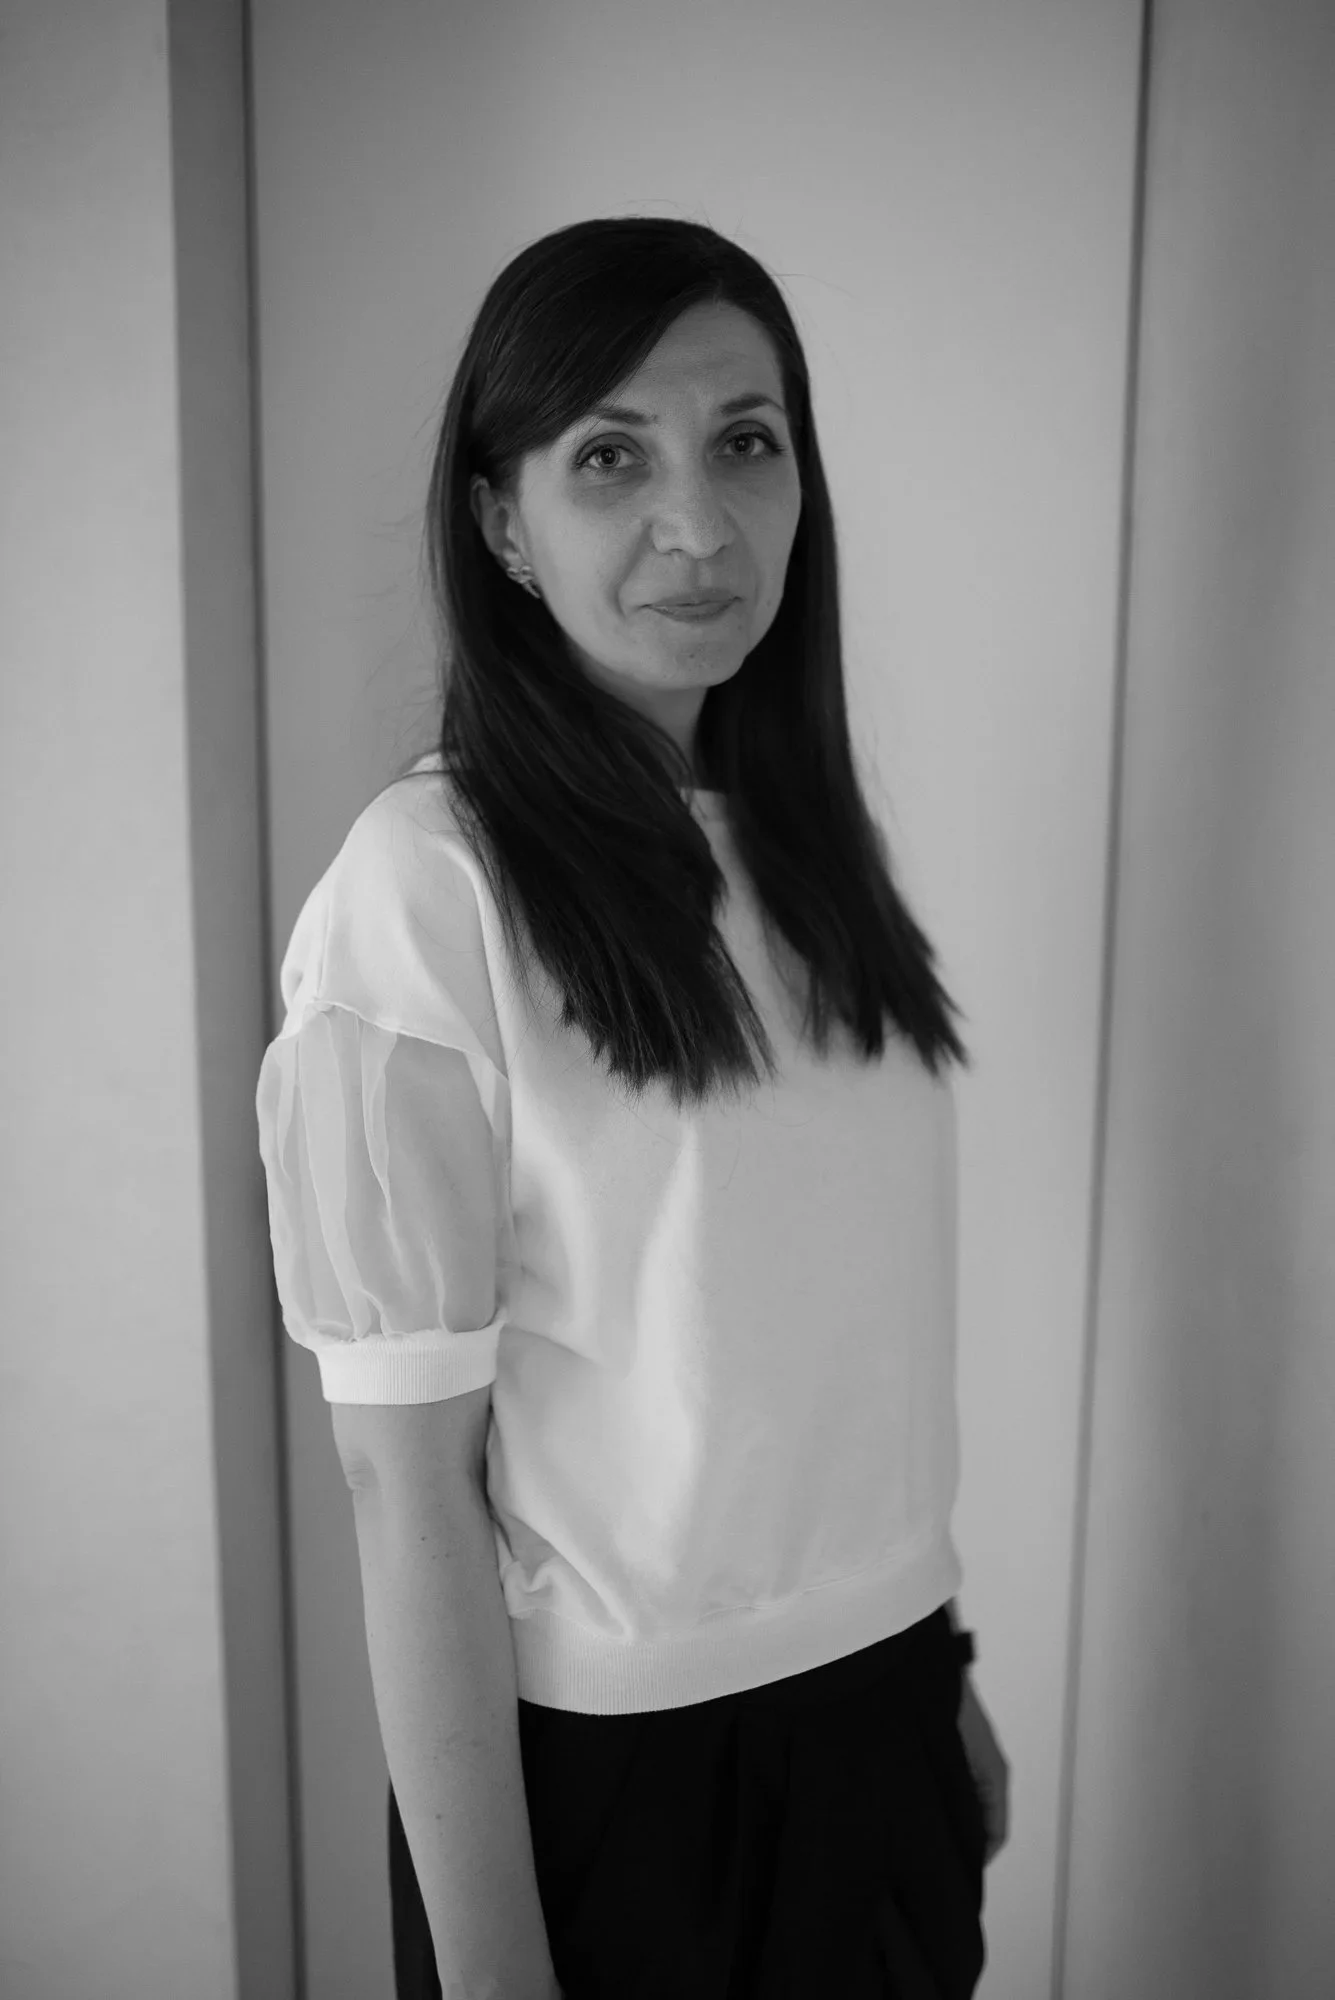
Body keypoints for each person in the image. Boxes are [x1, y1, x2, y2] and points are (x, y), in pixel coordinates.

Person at [256, 213, 1009, 2000]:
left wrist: (933, 1671)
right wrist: (495, 1971)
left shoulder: (807, 853)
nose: (700, 521)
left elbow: (824, 1351)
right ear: (502, 523)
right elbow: (399, 1482)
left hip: (887, 1722)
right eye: (610, 458)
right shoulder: (428, 888)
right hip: (624, 1791)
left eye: (745, 441)